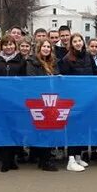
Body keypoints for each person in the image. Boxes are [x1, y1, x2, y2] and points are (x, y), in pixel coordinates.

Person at [58, 33, 97, 171]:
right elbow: (65, 81)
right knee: (73, 128)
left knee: (83, 127)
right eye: (75, 41)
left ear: (83, 42)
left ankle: (78, 156)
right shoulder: (66, 59)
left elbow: (96, 74)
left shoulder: (88, 56)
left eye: (79, 40)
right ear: (71, 44)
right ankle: (70, 159)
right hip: (73, 99)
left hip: (87, 98)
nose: (78, 43)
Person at [0, 35, 28, 171]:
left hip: (16, 101)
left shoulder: (21, 60)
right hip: (0, 101)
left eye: (11, 44)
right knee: (3, 129)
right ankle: (5, 160)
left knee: (15, 130)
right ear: (2, 46)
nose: (8, 47)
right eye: (5, 45)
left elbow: (25, 81)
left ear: (15, 45)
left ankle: (13, 159)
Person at [24, 39, 60, 172]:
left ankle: (45, 157)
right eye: (44, 46)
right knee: (41, 129)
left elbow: (57, 77)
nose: (46, 49)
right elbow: (32, 80)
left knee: (50, 129)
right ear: (39, 48)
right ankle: (44, 159)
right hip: (39, 100)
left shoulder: (54, 63)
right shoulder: (32, 62)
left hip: (52, 100)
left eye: (48, 47)